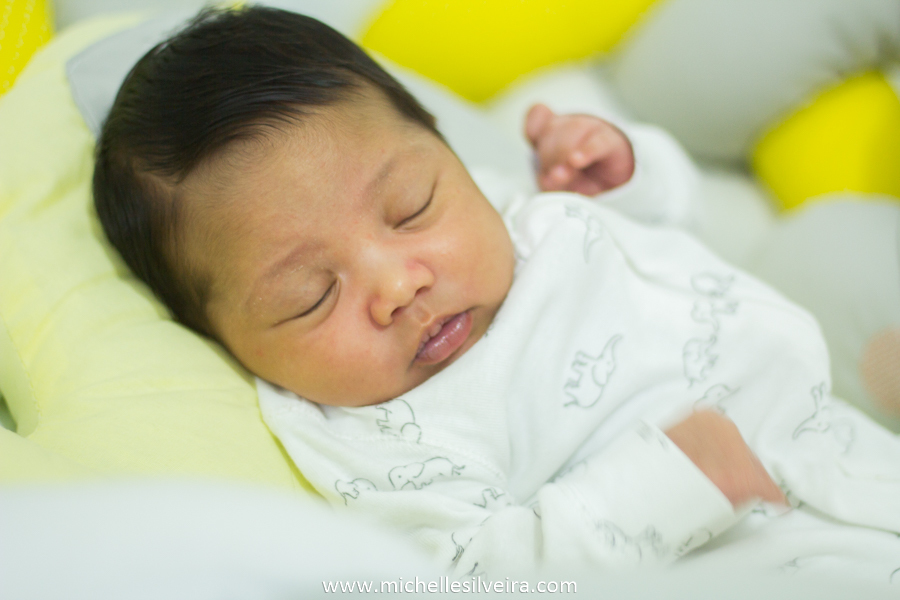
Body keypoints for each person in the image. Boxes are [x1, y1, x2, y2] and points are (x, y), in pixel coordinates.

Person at [93, 5, 900, 580]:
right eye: (309, 296)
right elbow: (472, 576)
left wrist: (626, 174)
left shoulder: (513, 214)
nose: (398, 283)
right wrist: (670, 485)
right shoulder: (371, 440)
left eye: (410, 207)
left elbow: (676, 233)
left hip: (848, 452)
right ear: (224, 342)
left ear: (446, 151)